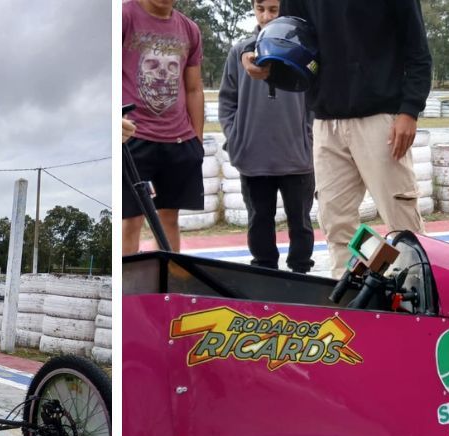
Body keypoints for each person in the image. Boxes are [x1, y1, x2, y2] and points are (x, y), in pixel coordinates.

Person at [241, 0, 432, 276]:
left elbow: (418, 50)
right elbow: (285, 31)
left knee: (402, 224)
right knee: (336, 224)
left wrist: (410, 110)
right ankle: (355, 292)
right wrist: (252, 51)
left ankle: (419, 296)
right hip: (326, 120)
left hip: (381, 119)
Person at [219, 0, 315, 273]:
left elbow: (315, 99)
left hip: (296, 155)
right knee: (259, 219)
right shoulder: (241, 52)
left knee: (301, 220)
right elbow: (227, 102)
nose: (266, 16)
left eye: (274, 10)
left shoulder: (305, 49)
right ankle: (264, 271)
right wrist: (235, 137)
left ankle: (301, 271)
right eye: (261, 8)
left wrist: (307, 138)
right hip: (253, 155)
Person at [121, 0, 205, 255]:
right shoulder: (124, 15)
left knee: (169, 218)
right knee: (131, 221)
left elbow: (193, 88)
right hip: (134, 137)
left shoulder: (189, 30)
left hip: (177, 139)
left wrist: (197, 142)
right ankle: (129, 291)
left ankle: (168, 287)